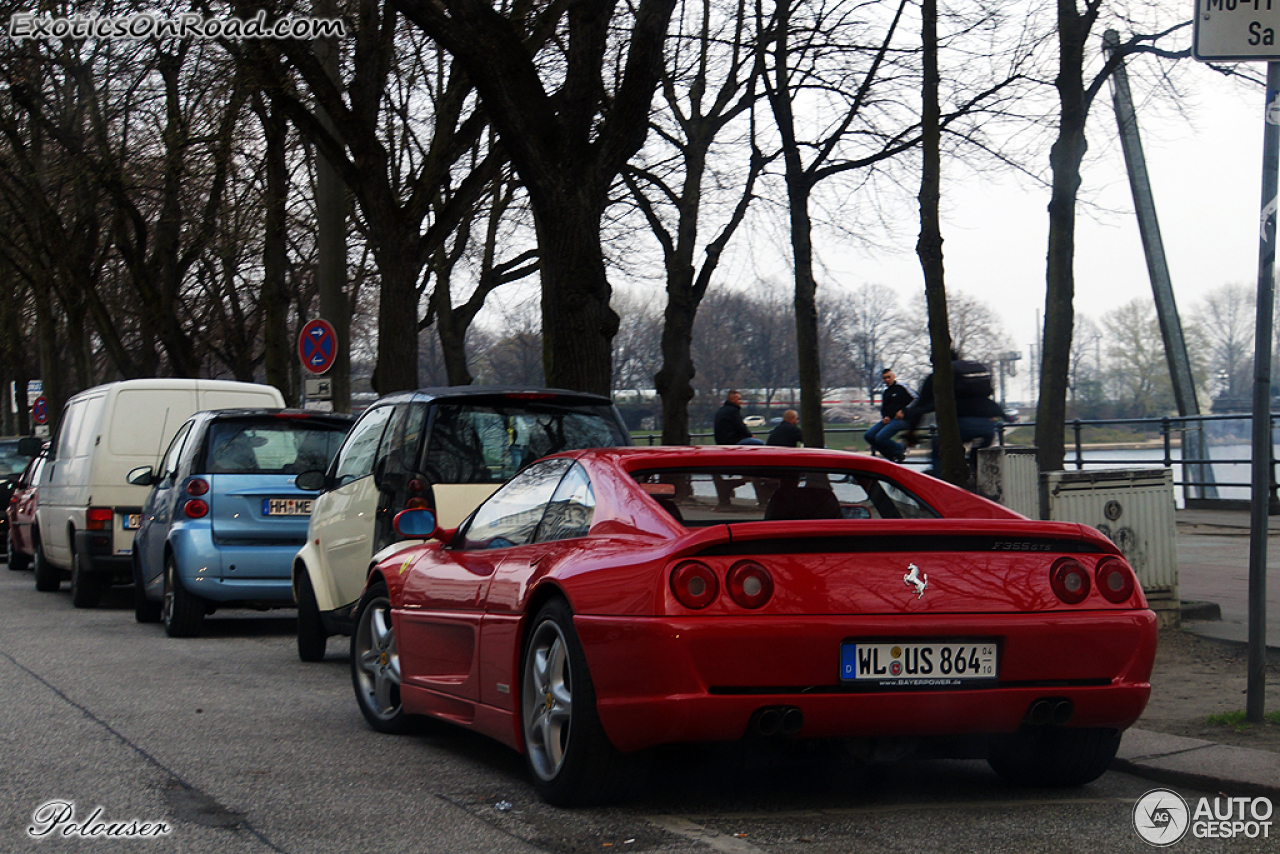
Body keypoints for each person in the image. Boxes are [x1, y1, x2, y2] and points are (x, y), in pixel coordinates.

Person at [902, 350, 1006, 477]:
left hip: (963, 422)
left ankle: (942, 483)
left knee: (940, 449)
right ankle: (979, 476)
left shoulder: (938, 376)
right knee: (978, 454)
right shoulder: (971, 374)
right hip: (988, 423)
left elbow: (922, 405)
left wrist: (912, 431)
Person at [864, 368, 915, 462]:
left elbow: (917, 399)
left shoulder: (902, 388)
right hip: (890, 419)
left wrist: (904, 411)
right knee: (868, 435)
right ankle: (892, 455)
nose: (887, 380)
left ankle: (900, 448)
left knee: (880, 437)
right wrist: (885, 416)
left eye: (888, 377)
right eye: (884, 378)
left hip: (902, 419)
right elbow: (884, 408)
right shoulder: (886, 392)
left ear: (893, 377)